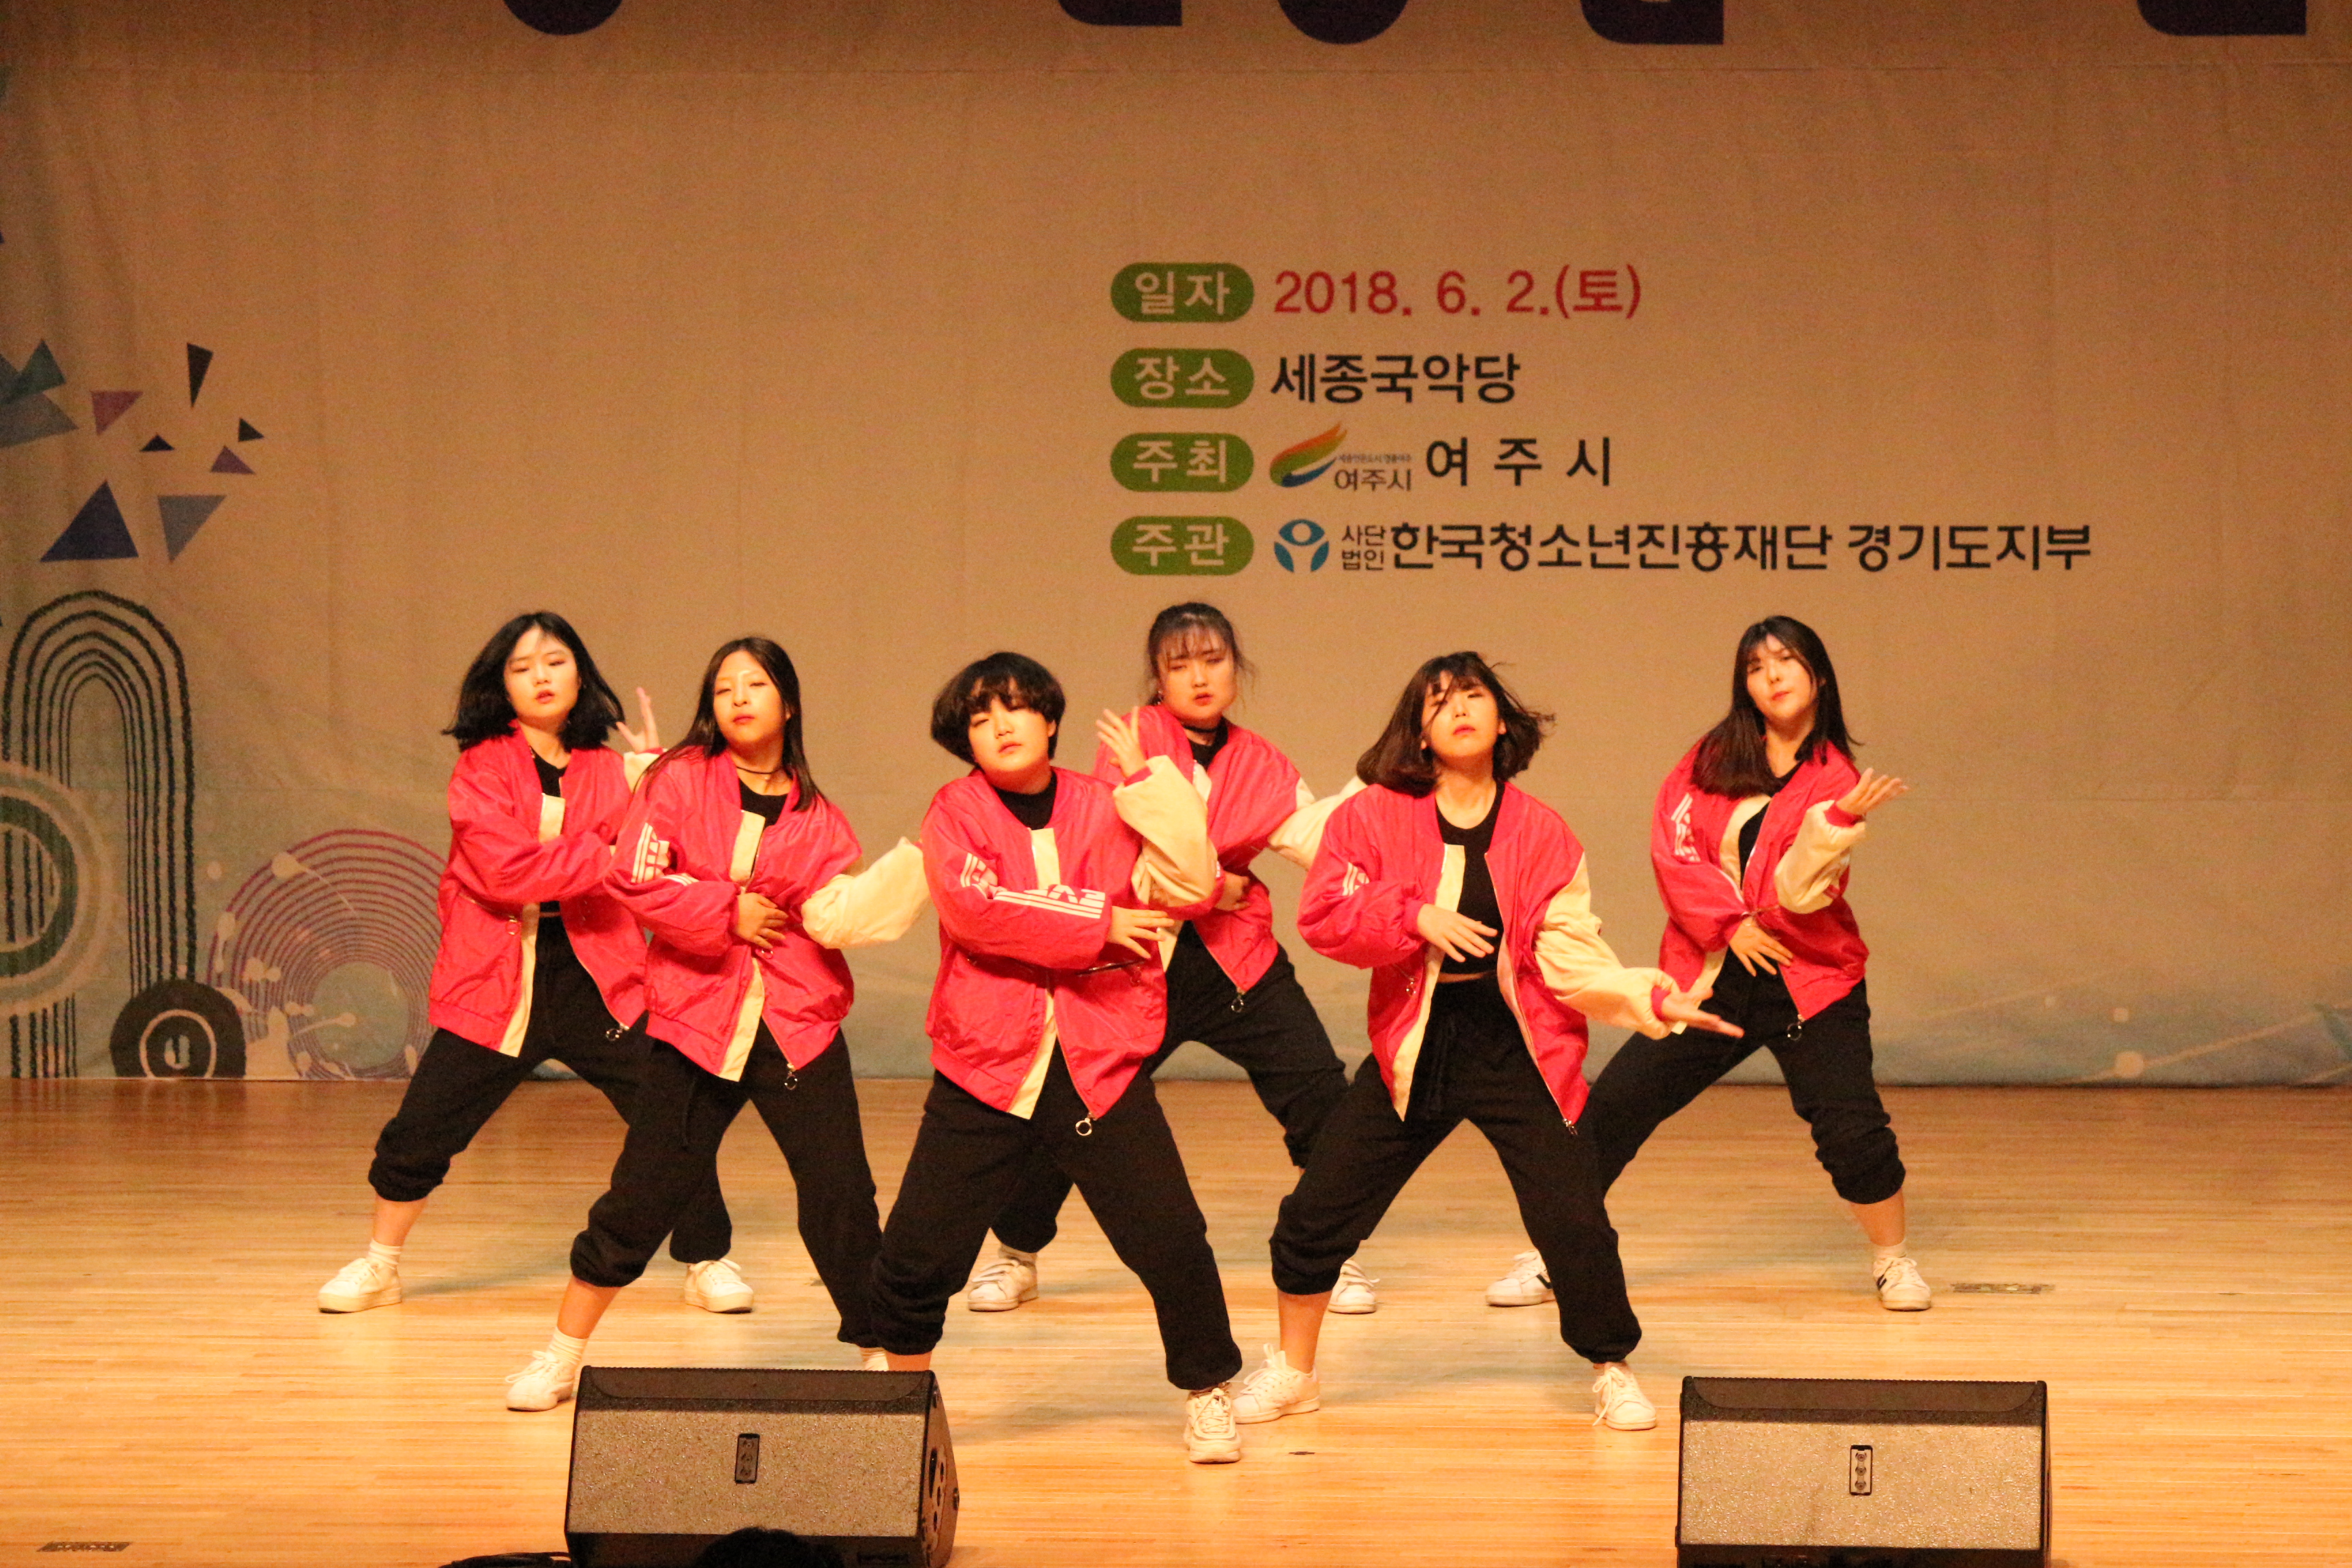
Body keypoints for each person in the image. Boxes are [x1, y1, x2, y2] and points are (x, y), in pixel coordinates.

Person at [1235, 653, 1736, 1434]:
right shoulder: (1373, 816)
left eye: (1473, 695)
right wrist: (1413, 916)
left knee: (1573, 1218)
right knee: (1317, 1210)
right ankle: (1295, 1373)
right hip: (1417, 1043)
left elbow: (1568, 950)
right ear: (1419, 732)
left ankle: (1611, 1369)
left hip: (1519, 1042)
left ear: (1502, 720)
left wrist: (1651, 997)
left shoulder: (1541, 831)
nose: (1459, 709)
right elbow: (1326, 917)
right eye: (1439, 701)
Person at [504, 636, 927, 1411]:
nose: (737, 697)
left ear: (787, 704)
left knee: (841, 1198)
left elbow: (833, 915)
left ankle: (880, 1359)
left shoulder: (821, 818)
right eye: (724, 686)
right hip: (696, 1018)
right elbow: (636, 878)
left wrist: (904, 880)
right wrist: (726, 910)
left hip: (797, 1022)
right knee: (643, 1194)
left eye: (755, 684)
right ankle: (562, 1354)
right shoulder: (677, 780)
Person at [865, 652, 1249, 1463]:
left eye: (1015, 707)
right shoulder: (955, 811)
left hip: (1098, 1055)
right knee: (918, 1250)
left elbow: (1192, 886)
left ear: (1048, 718)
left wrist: (1152, 786)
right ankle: (898, 1401)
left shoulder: (1107, 804)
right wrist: (1098, 924)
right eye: (980, 718)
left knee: (1171, 1236)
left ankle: (1210, 1391)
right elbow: (976, 910)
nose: (1000, 725)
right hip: (986, 1062)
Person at [316, 612, 740, 1316]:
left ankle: (707, 1258)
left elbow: (663, 854)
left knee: (672, 1119)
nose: (541, 677)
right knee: (423, 1129)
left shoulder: (611, 768)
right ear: (502, 686)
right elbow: (505, 872)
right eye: (522, 667)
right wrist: (608, 852)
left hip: (599, 977)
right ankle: (380, 1264)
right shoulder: (481, 767)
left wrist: (662, 780)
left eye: (555, 662)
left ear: (580, 675)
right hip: (496, 979)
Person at [967, 603, 1373, 1315]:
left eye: (1213, 660)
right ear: (1158, 677)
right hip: (1136, 958)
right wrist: (1217, 886)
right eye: (1180, 665)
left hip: (1237, 961)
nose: (1199, 677)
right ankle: (1017, 1251)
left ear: (1236, 669)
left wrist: (1385, 786)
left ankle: (1329, 1253)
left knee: (1319, 1095)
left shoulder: (1263, 762)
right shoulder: (1133, 739)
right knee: (1074, 1105)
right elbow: (1128, 855)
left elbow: (1319, 837)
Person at [1515, 615, 1925, 1311]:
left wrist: (1834, 826)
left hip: (1810, 979)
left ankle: (1893, 1259)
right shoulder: (1712, 758)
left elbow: (1802, 892)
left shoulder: (1837, 778)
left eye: (1786, 661)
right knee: (1615, 1107)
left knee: (1852, 1130)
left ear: (1819, 676)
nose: (1773, 676)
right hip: (1710, 979)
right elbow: (1675, 854)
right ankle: (1558, 1253)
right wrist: (1731, 926)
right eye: (1756, 667)